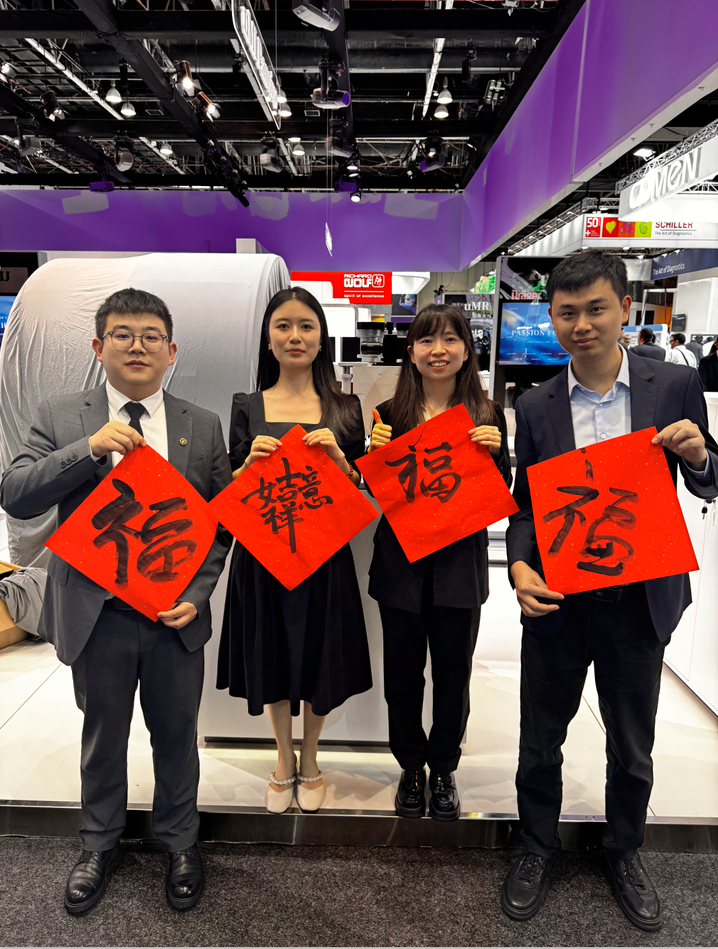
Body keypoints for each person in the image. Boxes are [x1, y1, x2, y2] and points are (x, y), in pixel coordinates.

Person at [502, 251, 718, 931]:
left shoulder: (674, 384)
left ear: (625, 307)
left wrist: (699, 456)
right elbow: (526, 507)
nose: (581, 325)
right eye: (566, 313)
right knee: (541, 737)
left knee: (632, 742)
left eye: (595, 308)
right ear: (551, 318)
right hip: (559, 600)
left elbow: (710, 475)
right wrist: (518, 566)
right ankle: (535, 846)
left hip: (640, 600)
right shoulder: (535, 404)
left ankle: (624, 851)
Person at [0, 288, 233, 914]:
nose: (137, 346)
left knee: (176, 736)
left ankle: (180, 843)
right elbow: (16, 494)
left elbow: (219, 524)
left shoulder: (201, 424)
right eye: (123, 335)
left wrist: (198, 593)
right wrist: (89, 449)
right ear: (98, 347)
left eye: (151, 336)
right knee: (102, 737)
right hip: (96, 613)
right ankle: (98, 845)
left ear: (171, 351)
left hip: (172, 616)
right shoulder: (61, 415)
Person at [217, 286, 372, 815]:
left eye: (306, 326)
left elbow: (361, 493)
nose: (295, 336)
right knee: (274, 653)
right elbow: (228, 491)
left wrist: (342, 461)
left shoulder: (346, 408)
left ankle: (311, 757)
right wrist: (245, 467)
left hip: (324, 556)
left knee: (319, 656)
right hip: (263, 556)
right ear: (268, 338)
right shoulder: (247, 405)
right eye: (282, 326)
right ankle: (283, 756)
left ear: (321, 337)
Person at [366, 304, 512, 822]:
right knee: (403, 676)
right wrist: (371, 458)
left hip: (459, 569)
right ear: (410, 353)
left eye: (450, 339)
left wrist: (497, 455)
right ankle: (410, 766)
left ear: (467, 351)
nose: (438, 350)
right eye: (427, 340)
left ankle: (444, 767)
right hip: (401, 569)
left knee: (454, 675)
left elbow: (502, 493)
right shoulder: (388, 414)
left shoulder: (487, 415)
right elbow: (377, 497)